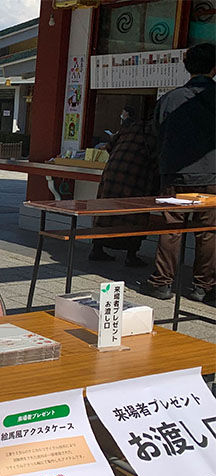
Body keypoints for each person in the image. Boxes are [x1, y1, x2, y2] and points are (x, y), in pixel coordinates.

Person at [139, 43, 215, 303]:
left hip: (175, 175)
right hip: (213, 176)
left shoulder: (170, 99)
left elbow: (155, 135)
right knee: (209, 230)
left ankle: (161, 283)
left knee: (171, 227)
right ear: (215, 68)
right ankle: (203, 286)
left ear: (187, 66)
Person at [88, 106, 159, 266]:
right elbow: (157, 160)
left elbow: (110, 145)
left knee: (105, 210)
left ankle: (97, 249)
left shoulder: (132, 127)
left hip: (112, 171)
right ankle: (131, 255)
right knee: (134, 214)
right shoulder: (156, 133)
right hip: (136, 175)